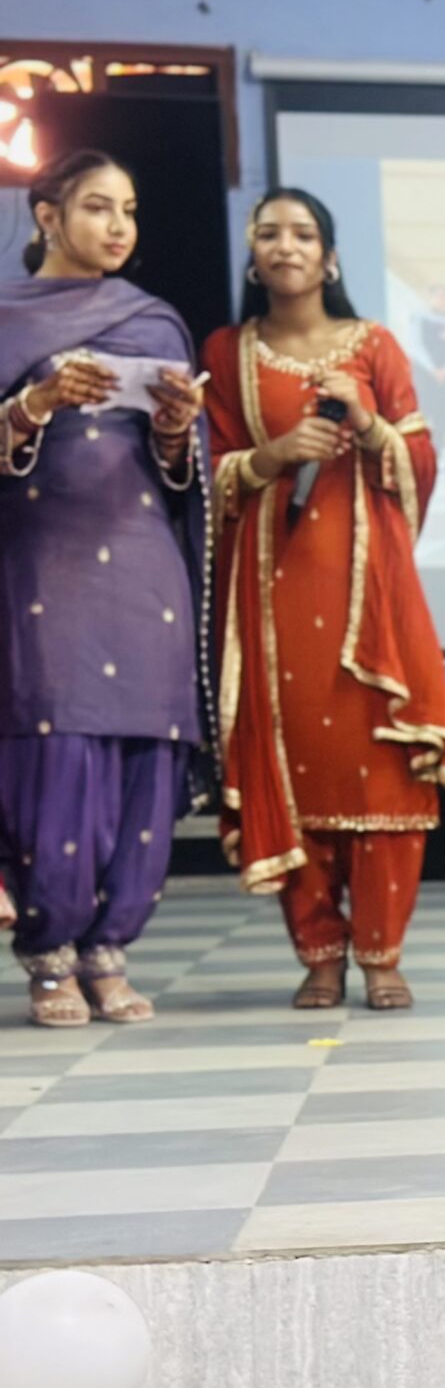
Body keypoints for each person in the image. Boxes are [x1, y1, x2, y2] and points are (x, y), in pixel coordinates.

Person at [202, 188, 445, 1012]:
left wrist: (367, 421)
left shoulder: (374, 345)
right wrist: (276, 454)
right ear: (254, 257)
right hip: (273, 596)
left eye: (303, 234)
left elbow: (420, 463)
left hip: (370, 596)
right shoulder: (226, 352)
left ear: (330, 256)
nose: (286, 245)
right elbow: (208, 476)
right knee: (296, 770)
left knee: (382, 771)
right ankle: (319, 954)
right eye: (269, 233)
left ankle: (382, 953)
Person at [0, 150, 208, 1026]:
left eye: (128, 209)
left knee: (143, 745)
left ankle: (109, 950)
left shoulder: (156, 324)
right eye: (97, 207)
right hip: (44, 554)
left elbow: (181, 476)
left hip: (143, 553)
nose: (119, 226)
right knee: (58, 739)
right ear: (47, 215)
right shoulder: (7, 320)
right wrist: (35, 404)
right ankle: (50, 956)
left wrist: (176, 431)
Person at [412, 284, 445, 446]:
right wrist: (433, 369)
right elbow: (416, 345)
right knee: (424, 409)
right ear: (432, 298)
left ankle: (438, 450)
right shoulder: (420, 318)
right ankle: (420, 450)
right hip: (424, 373)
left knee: (443, 411)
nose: (442, 299)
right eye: (438, 296)